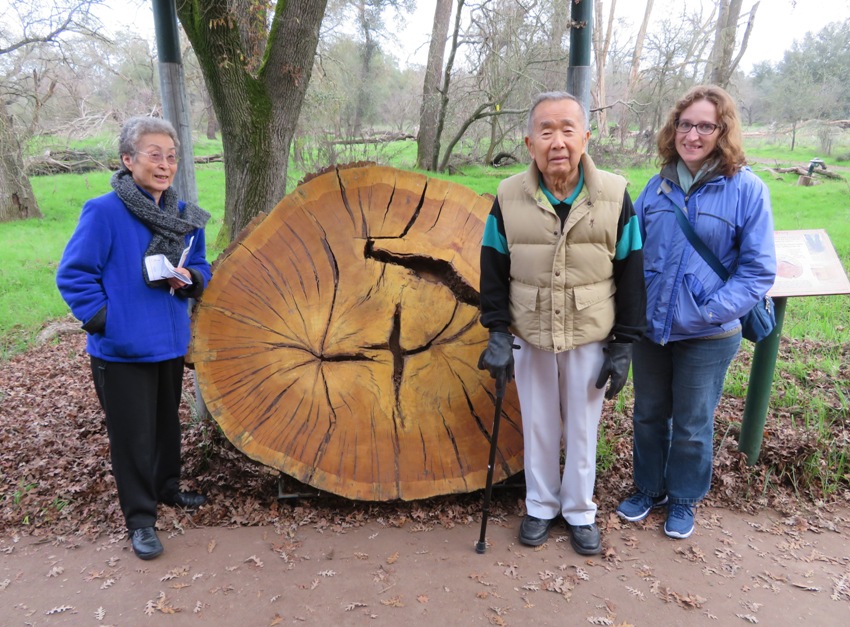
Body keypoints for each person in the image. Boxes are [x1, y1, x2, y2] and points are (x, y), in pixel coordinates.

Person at [478, 91, 646, 555]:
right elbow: (492, 266)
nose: (558, 141)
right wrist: (496, 330)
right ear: (529, 142)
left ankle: (579, 511)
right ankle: (540, 506)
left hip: (590, 334)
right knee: (538, 424)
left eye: (568, 130)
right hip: (530, 334)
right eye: (546, 131)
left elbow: (632, 272)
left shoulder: (614, 194)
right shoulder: (509, 194)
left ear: (585, 138)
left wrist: (624, 344)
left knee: (582, 428)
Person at [617, 85, 776, 539]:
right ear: (674, 129)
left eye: (705, 125)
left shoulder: (746, 189)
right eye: (685, 124)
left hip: (708, 333)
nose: (692, 134)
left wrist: (712, 310)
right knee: (648, 413)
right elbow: (634, 252)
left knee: (691, 423)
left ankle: (684, 499)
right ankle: (649, 488)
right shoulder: (657, 185)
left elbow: (758, 269)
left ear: (722, 130)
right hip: (653, 328)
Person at [56, 116, 212, 560]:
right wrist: (108, 321)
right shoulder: (104, 211)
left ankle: (167, 489)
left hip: (167, 341)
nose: (165, 165)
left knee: (166, 426)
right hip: (122, 350)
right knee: (132, 437)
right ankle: (141, 519)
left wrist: (192, 277)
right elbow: (74, 275)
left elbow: (201, 263)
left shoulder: (184, 215)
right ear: (128, 160)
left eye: (172, 156)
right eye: (154, 155)